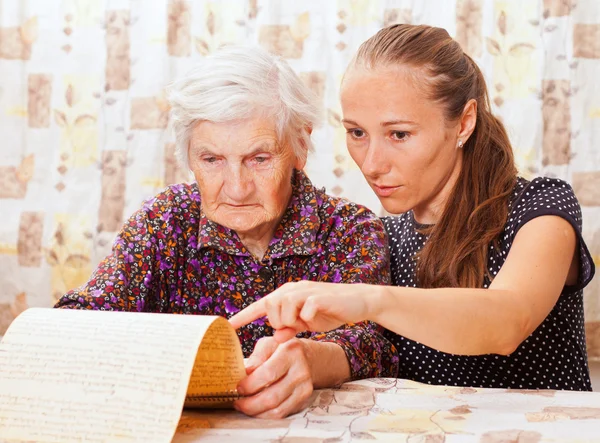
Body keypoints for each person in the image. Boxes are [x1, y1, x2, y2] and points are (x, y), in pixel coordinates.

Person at [230, 24, 596, 391]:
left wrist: (368, 300)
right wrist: (300, 358)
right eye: (357, 133)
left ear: (464, 123)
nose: (372, 164)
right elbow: (365, 353)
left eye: (399, 134)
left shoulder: (541, 208)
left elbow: (508, 321)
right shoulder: (381, 236)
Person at [55, 46, 399, 417]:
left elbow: (371, 343)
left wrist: (312, 360)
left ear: (299, 146)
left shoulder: (349, 230)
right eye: (212, 160)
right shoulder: (165, 221)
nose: (236, 188)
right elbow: (84, 317)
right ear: (189, 156)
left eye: (259, 158)